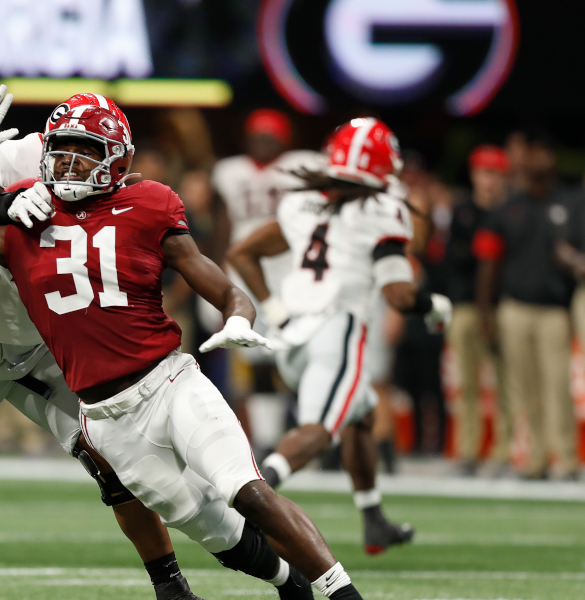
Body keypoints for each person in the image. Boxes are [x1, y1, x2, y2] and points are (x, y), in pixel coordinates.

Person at [0, 86, 367, 600]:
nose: (71, 164)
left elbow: (214, 278)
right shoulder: (21, 227)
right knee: (209, 524)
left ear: (116, 161)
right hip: (107, 418)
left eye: (87, 151)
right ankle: (289, 584)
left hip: (169, 381)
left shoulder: (148, 202)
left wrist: (238, 314)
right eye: (62, 150)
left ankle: (343, 594)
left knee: (246, 490)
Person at [228, 118, 452, 554]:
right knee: (318, 432)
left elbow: (243, 252)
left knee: (361, 415)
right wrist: (434, 306)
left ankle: (373, 521)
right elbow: (399, 293)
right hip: (339, 328)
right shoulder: (383, 208)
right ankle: (244, 492)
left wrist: (273, 309)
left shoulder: (304, 201)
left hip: (293, 336)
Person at [210, 109, 325, 439]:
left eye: (269, 136)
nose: (262, 143)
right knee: (257, 357)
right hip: (246, 272)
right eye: (257, 136)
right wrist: (216, 276)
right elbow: (223, 226)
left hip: (292, 273)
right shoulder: (230, 171)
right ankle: (266, 438)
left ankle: (310, 432)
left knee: (300, 354)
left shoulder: (304, 164)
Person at [475, 129, 581, 480]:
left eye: (544, 153)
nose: (539, 161)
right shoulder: (508, 207)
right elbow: (489, 265)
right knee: (525, 388)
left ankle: (565, 460)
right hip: (515, 308)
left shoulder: (566, 204)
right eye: (533, 154)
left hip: (554, 309)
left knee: (557, 387)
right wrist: (486, 313)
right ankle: (534, 458)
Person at [445, 145, 512, 476]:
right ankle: (468, 452)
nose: (489, 180)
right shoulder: (463, 210)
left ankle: (502, 452)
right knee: (467, 384)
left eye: (495, 173)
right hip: (466, 306)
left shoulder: (511, 210)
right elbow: (453, 258)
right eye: (484, 172)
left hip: (501, 307)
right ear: (474, 174)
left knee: (503, 383)